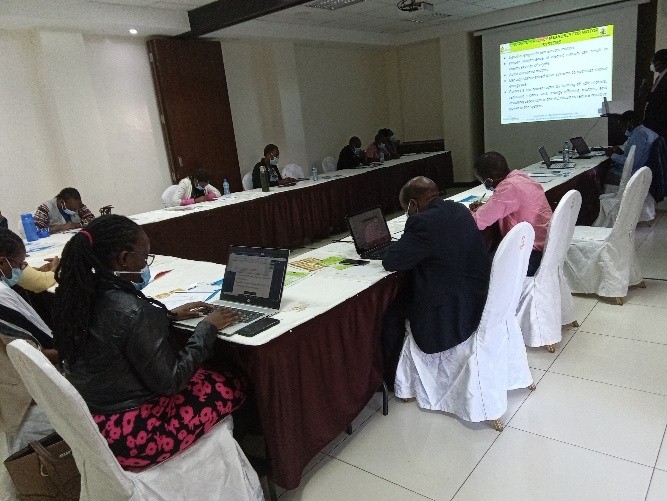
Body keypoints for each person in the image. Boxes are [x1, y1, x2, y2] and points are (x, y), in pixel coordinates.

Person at [52, 215, 247, 469]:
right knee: (231, 381)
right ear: (124, 259)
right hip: (136, 436)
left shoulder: (76, 296)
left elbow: (111, 331)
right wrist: (207, 328)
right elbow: (171, 382)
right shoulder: (133, 310)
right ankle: (238, 457)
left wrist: (166, 315)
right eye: (144, 258)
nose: (146, 265)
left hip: (92, 422)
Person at [381, 177, 491, 389]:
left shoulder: (422, 222)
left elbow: (391, 262)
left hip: (450, 309)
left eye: (407, 209)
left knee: (392, 311)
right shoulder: (459, 209)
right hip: (476, 294)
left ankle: (393, 379)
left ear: (413, 204)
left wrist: (405, 234)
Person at [0, 229, 56, 456]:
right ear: (2, 261)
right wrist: (70, 352)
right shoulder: (1, 297)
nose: (21, 270)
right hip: (21, 396)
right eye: (19, 265)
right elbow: (29, 353)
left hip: (11, 386)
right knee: (29, 451)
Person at [470, 151, 553, 276]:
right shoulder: (521, 177)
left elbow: (477, 222)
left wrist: (464, 212)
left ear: (488, 181)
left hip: (531, 256)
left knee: (476, 268)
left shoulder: (508, 188)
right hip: (547, 248)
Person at [606, 110, 658, 183]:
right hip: (644, 171)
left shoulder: (639, 135)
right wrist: (621, 153)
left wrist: (612, 155)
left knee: (603, 173)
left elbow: (633, 162)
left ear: (629, 123)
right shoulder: (646, 132)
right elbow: (638, 156)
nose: (621, 128)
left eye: (622, 124)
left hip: (635, 175)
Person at [643, 49, 667, 139]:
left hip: (660, 125)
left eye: (653, 61)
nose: (652, 64)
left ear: (660, 62)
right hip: (654, 125)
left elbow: (660, 99)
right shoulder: (660, 77)